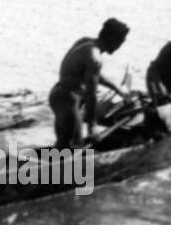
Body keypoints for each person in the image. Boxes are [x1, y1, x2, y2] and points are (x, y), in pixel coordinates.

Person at [49, 18, 133, 148]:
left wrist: (118, 90)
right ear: (112, 39)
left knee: (65, 144)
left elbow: (93, 75)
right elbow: (91, 95)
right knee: (73, 145)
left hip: (58, 94)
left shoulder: (85, 43)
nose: (119, 46)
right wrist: (92, 128)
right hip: (69, 100)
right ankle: (59, 167)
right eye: (120, 42)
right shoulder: (95, 58)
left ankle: (52, 164)